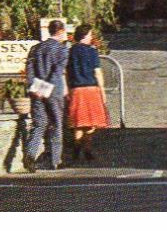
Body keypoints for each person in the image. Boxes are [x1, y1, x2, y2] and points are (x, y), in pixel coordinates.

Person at [23, 20, 70, 172]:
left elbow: (29, 69)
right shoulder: (62, 50)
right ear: (61, 31)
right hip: (53, 91)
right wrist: (47, 89)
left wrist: (34, 87)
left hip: (36, 89)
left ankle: (30, 154)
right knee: (56, 124)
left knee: (39, 124)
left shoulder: (35, 48)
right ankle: (55, 160)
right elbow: (56, 72)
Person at [65, 24, 109, 163]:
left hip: (76, 89)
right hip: (91, 88)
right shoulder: (92, 51)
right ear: (84, 36)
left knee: (78, 122)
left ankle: (77, 147)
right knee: (91, 123)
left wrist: (68, 89)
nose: (91, 37)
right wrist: (102, 91)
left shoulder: (70, 51)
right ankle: (87, 149)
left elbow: (66, 73)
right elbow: (97, 72)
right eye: (90, 34)